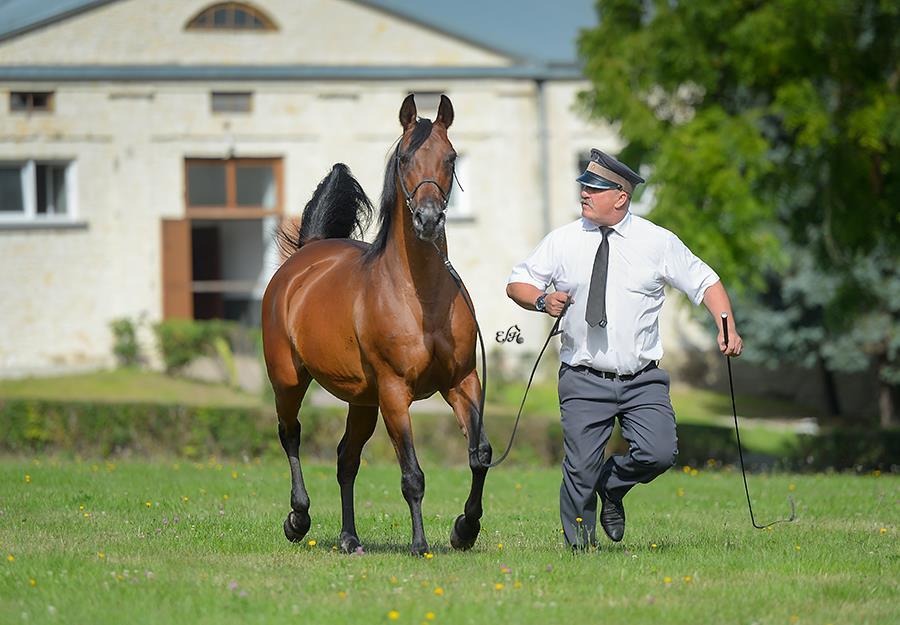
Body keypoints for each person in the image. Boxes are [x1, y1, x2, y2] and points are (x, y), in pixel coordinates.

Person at [506, 149, 743, 549]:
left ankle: (612, 486)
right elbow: (517, 283)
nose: (584, 192)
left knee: (659, 453)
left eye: (595, 188)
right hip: (583, 378)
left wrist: (728, 328)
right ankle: (580, 550)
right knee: (579, 470)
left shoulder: (657, 241)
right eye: (583, 184)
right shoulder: (562, 240)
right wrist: (542, 300)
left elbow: (706, 282)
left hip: (642, 379)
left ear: (621, 196)